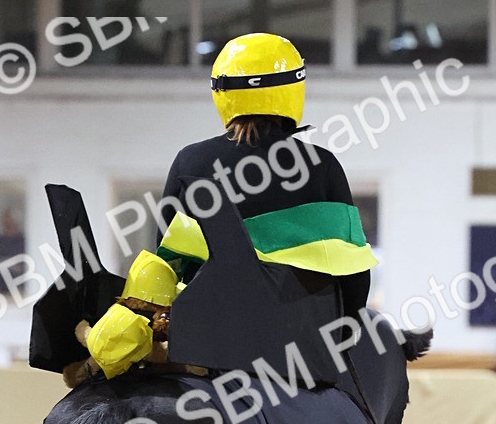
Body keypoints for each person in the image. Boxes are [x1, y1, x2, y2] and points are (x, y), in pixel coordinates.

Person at [157, 32, 376, 321]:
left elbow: (164, 263)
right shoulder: (322, 166)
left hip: (211, 340)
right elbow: (355, 274)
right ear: (293, 88)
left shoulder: (190, 162)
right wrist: (345, 333)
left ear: (222, 91)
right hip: (301, 344)